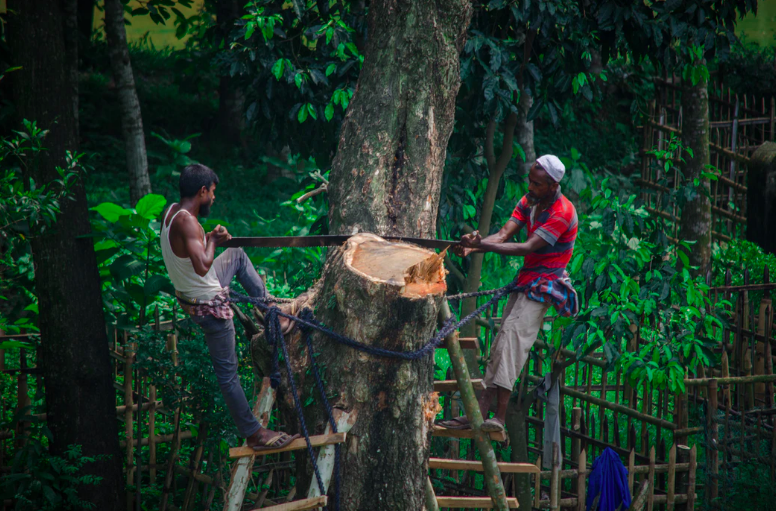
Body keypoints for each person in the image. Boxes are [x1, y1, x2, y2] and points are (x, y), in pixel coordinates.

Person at [160, 163, 298, 451]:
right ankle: (253, 433)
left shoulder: (172, 211)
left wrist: (208, 240)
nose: (214, 198)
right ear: (201, 191)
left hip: (194, 294)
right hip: (208, 306)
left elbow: (192, 257)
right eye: (212, 192)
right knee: (228, 375)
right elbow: (201, 265)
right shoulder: (187, 222)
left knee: (235, 253)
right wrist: (210, 239)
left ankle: (271, 314)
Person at [440, 155, 579, 433]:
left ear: (553, 186)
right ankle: (480, 413)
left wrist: (479, 247)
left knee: (513, 343)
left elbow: (527, 247)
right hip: (526, 281)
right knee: (502, 343)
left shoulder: (562, 212)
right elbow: (502, 235)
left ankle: (499, 418)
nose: (530, 186)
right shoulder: (529, 201)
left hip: (544, 286)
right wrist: (474, 246)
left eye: (537, 183)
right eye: (530, 180)